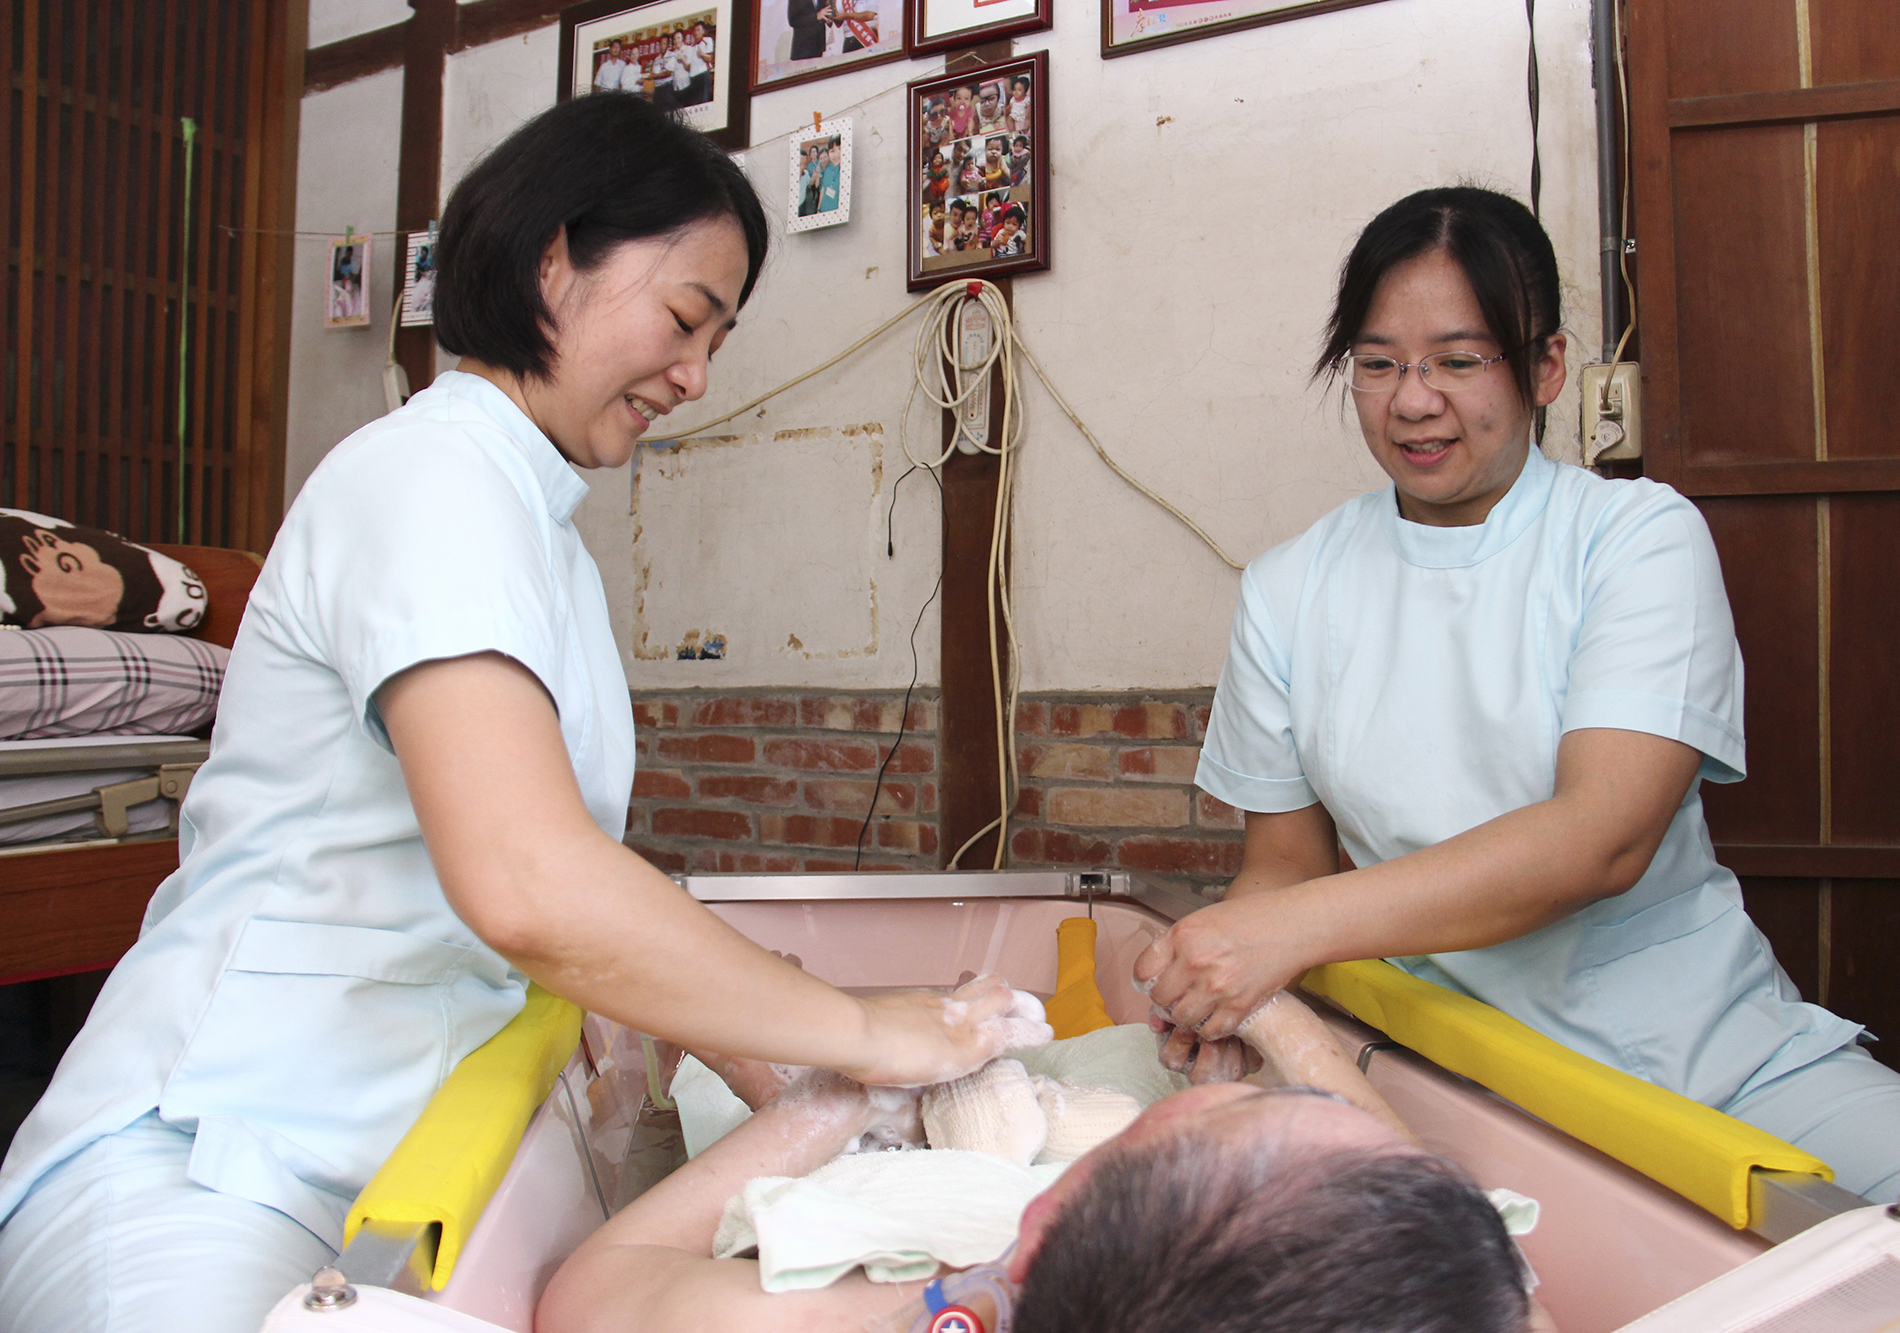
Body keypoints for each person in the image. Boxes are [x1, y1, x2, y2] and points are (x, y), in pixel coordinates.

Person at [0, 95, 1042, 1333]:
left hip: (396, 1161)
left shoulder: (535, 532)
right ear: (554, 258)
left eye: (715, 341)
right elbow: (529, 884)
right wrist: (866, 1032)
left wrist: (785, 1054)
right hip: (214, 1154)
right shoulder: (429, 477)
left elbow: (574, 873)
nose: (695, 376)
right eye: (684, 319)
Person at [1135, 184, 1900, 1235]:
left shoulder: (1633, 539)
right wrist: (1235, 988)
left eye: (1459, 361)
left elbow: (1600, 838)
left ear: (1544, 366)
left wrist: (1278, 933)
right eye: (1377, 363)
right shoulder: (1288, 588)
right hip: (1447, 1067)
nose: (1413, 401)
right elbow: (1284, 867)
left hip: (1706, 1062)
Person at [536, 991, 1533, 1333]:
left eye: (1265, 1098)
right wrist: (1281, 1020)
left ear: (1038, 1226)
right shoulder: (1472, 1302)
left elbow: (593, 1292)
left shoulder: (886, 1309)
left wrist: (848, 1091)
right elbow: (1467, 1247)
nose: (1291, 1085)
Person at [816, 138, 842, 214]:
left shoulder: (844, 171)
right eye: (832, 151)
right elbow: (823, 189)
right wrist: (818, 209)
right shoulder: (828, 170)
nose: (836, 154)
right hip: (823, 210)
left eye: (840, 148)